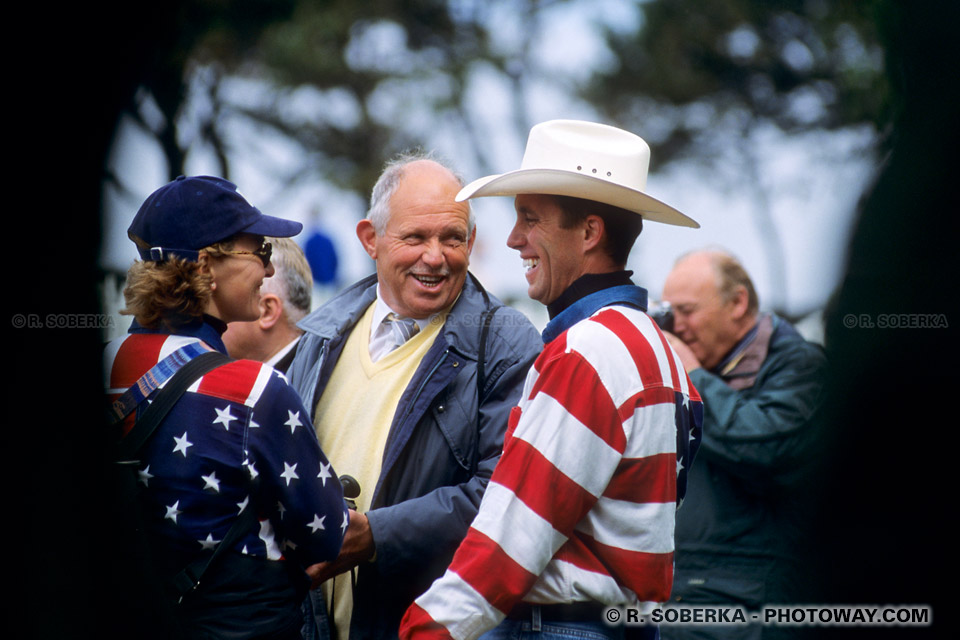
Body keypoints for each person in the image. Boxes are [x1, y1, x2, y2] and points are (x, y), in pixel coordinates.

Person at [398, 119, 705, 640]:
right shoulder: (658, 350)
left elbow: (513, 535)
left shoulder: (588, 351)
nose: (514, 239)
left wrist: (425, 629)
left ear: (589, 232)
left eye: (530, 219)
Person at [285, 152, 543, 640]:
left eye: (452, 238)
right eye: (416, 237)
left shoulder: (505, 343)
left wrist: (376, 536)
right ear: (370, 239)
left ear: (471, 242)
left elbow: (507, 496)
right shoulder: (320, 335)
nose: (436, 256)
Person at [104, 175, 347, 639]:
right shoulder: (253, 389)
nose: (269, 270)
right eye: (260, 251)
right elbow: (326, 535)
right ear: (205, 266)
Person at [658, 248, 828, 640]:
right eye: (669, 313)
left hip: (753, 606)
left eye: (687, 311)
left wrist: (692, 374)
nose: (675, 326)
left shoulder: (799, 365)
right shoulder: (706, 367)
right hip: (685, 593)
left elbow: (767, 447)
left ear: (737, 303)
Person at [222, 236, 314, 373]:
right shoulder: (310, 371)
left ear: (266, 311)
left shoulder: (297, 387)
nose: (207, 312)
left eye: (220, 298)